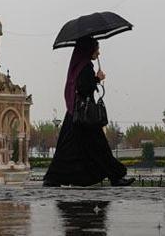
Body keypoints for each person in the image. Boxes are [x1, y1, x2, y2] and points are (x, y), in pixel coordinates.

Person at [43, 37, 134, 187]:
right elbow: (84, 88)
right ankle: (115, 177)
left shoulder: (79, 66)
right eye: (96, 49)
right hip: (84, 116)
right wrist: (97, 79)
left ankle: (53, 178)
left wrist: (95, 80)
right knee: (99, 147)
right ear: (88, 49)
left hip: (76, 114)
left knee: (69, 148)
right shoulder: (85, 67)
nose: (98, 53)